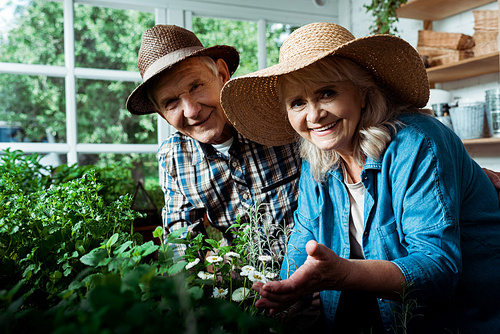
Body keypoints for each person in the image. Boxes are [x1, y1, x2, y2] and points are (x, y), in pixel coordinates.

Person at [220, 22, 500, 333]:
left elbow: (439, 269)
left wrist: (343, 275)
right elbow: (301, 246)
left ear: (362, 94)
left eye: (327, 92)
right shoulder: (318, 162)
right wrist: (285, 292)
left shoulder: (418, 142)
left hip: (463, 320)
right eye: (297, 102)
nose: (313, 116)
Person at [126, 25, 301, 261]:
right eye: (170, 102)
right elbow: (181, 243)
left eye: (195, 86)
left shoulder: (279, 118)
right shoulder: (174, 156)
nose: (192, 111)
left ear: (222, 74)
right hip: (242, 288)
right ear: (161, 113)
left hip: (315, 277)